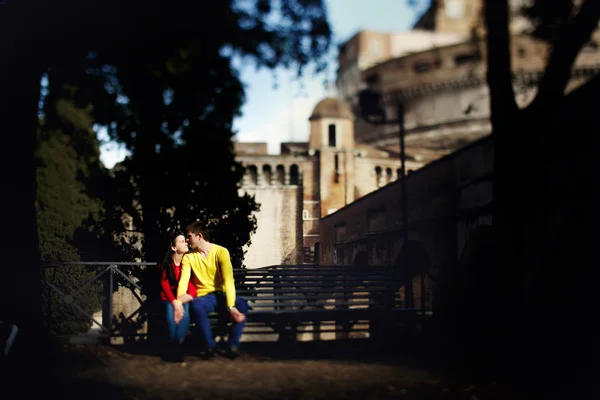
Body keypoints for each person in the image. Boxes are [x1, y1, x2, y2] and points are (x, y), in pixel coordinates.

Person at [173, 221, 248, 359]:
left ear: (199, 236)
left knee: (242, 304)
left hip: (223, 295)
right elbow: (183, 281)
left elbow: (229, 280)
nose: (187, 241)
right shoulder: (188, 257)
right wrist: (178, 301)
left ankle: (233, 345)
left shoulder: (221, 252)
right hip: (205, 298)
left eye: (189, 237)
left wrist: (231, 306)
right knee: (196, 305)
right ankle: (210, 346)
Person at [158, 232, 196, 362]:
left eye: (185, 241)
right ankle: (173, 346)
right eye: (181, 241)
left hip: (183, 297)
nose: (186, 243)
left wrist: (189, 296)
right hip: (168, 299)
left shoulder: (189, 262)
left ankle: (178, 345)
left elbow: (191, 283)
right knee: (171, 317)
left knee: (185, 316)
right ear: (174, 248)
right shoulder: (166, 264)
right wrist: (174, 302)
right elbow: (164, 284)